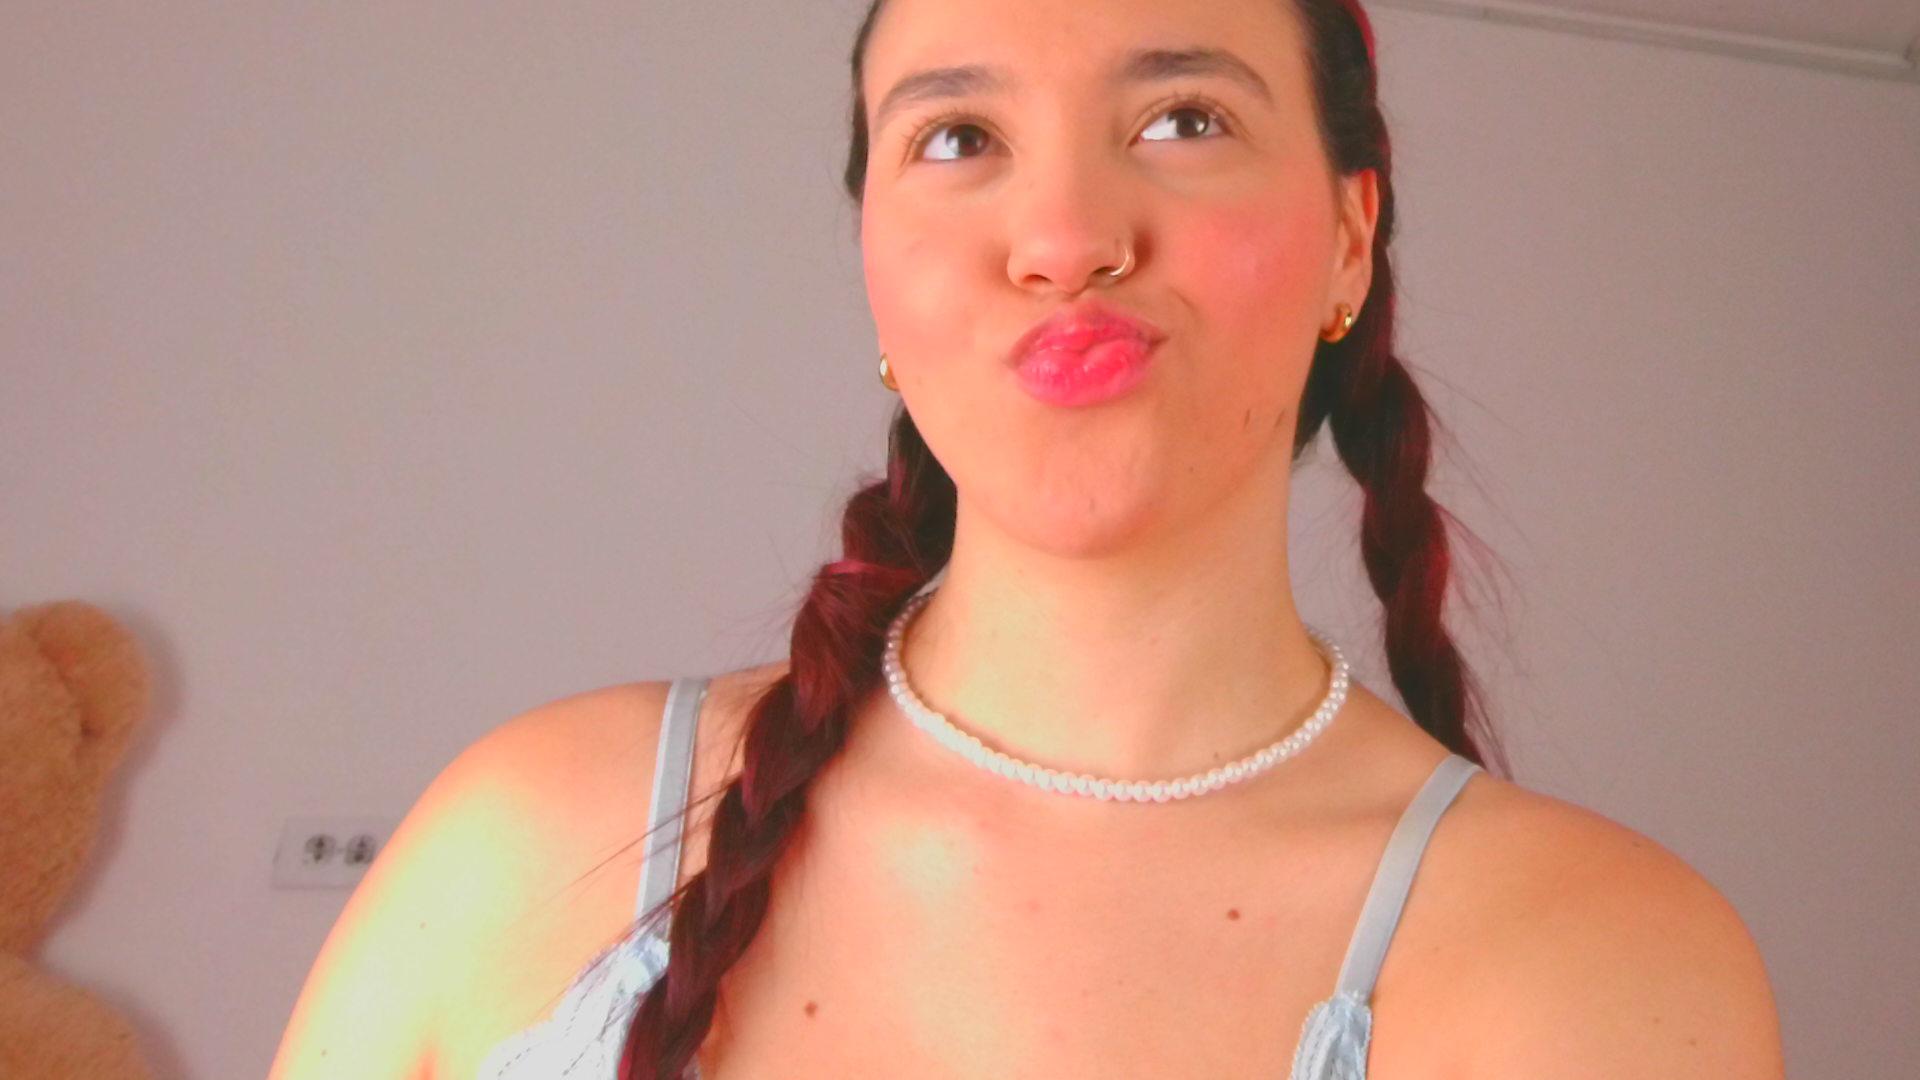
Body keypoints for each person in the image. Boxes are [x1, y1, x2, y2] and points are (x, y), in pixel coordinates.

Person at [270, 0, 1786, 1076]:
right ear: (874, 260)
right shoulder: (522, 847)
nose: (1065, 239)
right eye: (959, 136)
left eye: (1184, 119)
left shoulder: (1604, 967)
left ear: (1349, 234)